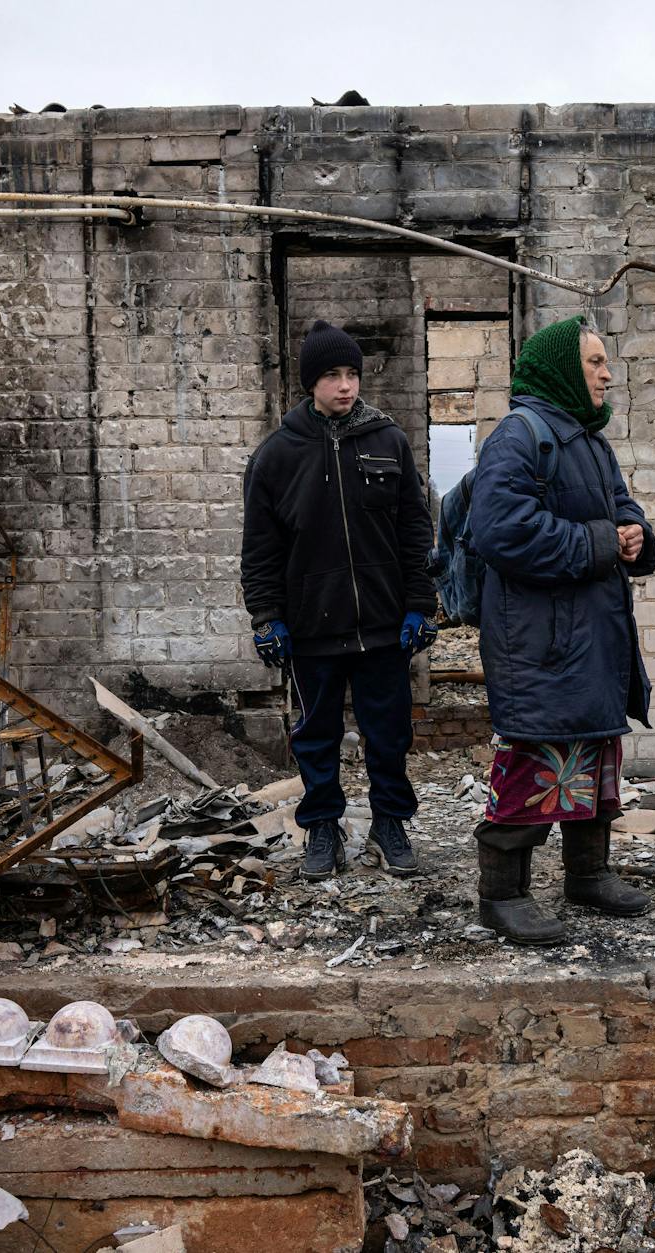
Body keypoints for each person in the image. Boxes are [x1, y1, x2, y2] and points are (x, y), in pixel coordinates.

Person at [467, 315, 655, 944]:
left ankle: (588, 873)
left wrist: (635, 537)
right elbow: (500, 531)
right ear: (560, 370)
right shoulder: (520, 437)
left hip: (592, 636)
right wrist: (604, 540)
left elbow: (620, 509)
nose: (608, 374)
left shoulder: (590, 441)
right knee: (538, 758)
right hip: (542, 642)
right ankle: (502, 894)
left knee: (596, 754)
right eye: (595, 362)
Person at [240, 320, 438, 880]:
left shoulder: (388, 441)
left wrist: (421, 604)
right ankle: (322, 828)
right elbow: (260, 548)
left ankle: (388, 826)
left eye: (352, 373)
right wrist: (267, 618)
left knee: (389, 733)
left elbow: (415, 534)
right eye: (332, 375)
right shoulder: (277, 456)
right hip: (311, 627)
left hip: (382, 623)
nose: (346, 386)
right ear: (311, 382)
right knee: (316, 736)